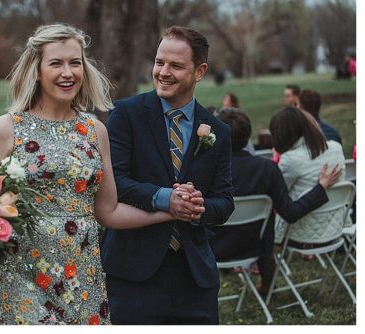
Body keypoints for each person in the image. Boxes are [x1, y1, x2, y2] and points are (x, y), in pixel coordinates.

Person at [0, 24, 195, 325]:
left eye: (75, 63)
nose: (67, 73)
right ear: (36, 70)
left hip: (81, 277)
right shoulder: (6, 128)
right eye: (56, 63)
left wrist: (170, 210)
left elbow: (109, 212)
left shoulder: (95, 131)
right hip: (20, 276)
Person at [104, 26, 234, 324]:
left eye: (175, 65)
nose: (163, 72)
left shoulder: (218, 130)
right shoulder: (126, 114)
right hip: (133, 273)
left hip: (194, 276)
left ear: (199, 72)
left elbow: (225, 202)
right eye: (159, 62)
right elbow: (115, 183)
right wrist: (166, 199)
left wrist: (197, 206)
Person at [209, 108, 340, 295]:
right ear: (248, 136)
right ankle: (267, 282)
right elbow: (290, 212)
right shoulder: (267, 168)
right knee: (264, 225)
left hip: (214, 249)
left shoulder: (207, 170)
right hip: (256, 247)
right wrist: (320, 188)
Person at [269, 107, 347, 247]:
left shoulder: (290, 160)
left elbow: (277, 197)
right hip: (335, 228)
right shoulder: (336, 148)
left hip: (300, 234)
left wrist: (277, 159)